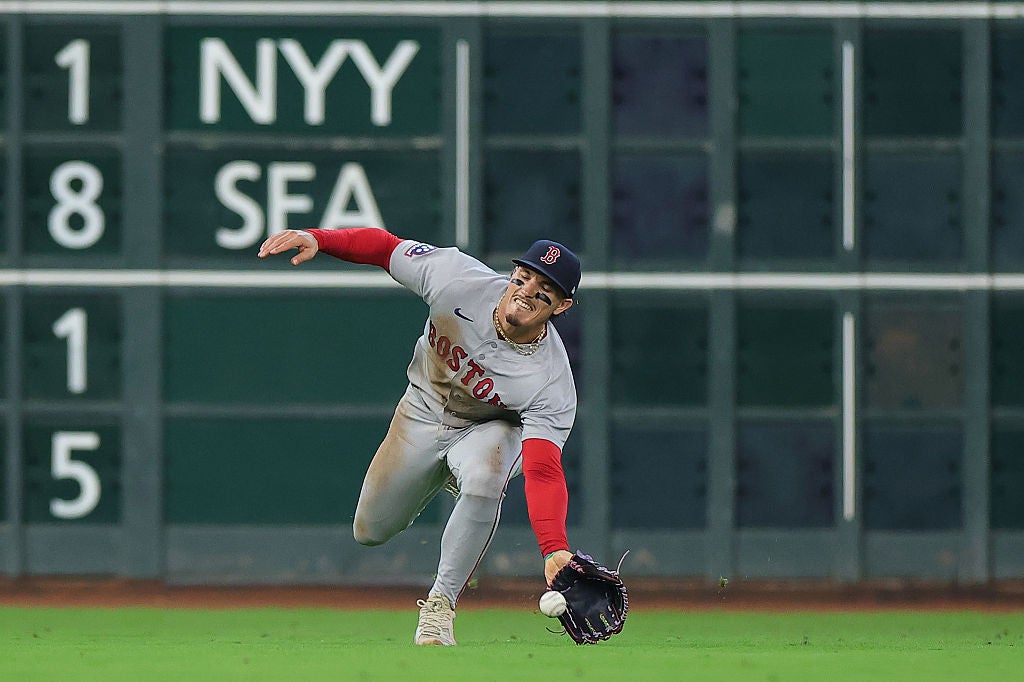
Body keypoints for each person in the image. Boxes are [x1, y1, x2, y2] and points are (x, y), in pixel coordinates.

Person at [257, 227, 581, 646]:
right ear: (513, 273)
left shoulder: (551, 381)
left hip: (487, 430)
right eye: (527, 276)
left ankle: (439, 606)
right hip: (420, 414)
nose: (530, 290)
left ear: (562, 305)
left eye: (547, 289)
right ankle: (445, 473)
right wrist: (320, 238)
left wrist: (554, 546)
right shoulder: (457, 278)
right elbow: (386, 248)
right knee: (370, 531)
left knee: (486, 477)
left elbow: (542, 469)